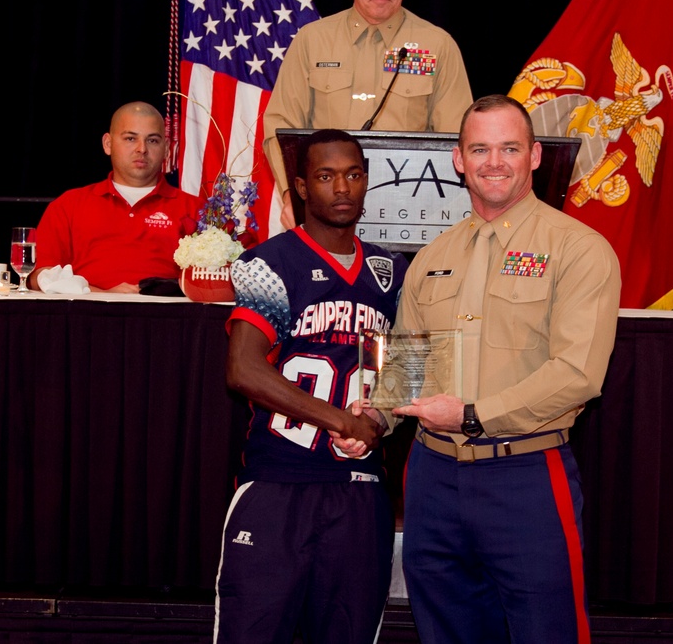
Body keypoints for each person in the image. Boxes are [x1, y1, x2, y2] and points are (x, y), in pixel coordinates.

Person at [390, 95, 622, 644]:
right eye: (480, 149)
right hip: (433, 480)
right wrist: (370, 421)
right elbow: (406, 370)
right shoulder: (431, 256)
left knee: (548, 633)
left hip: (525, 478)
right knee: (444, 632)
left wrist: (472, 416)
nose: (495, 162)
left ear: (535, 155)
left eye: (509, 148)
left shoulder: (579, 250)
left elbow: (577, 374)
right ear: (458, 161)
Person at [214, 129, 409, 643]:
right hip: (280, 484)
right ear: (301, 187)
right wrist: (340, 419)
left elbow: (406, 369)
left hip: (359, 492)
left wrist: (379, 420)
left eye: (353, 174)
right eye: (325, 176)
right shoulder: (268, 264)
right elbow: (245, 369)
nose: (341, 187)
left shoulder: (392, 272)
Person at [262, 0, 473, 225]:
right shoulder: (312, 40)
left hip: (408, 214)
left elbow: (459, 139)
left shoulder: (437, 46)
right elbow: (281, 124)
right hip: (324, 213)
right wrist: (291, 195)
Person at [31, 101, 203, 293]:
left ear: (167, 148)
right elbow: (41, 277)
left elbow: (213, 284)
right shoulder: (68, 205)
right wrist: (101, 295)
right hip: (86, 315)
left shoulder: (196, 209)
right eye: (130, 138)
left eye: (152, 140)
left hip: (170, 318)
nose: (141, 149)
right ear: (108, 144)